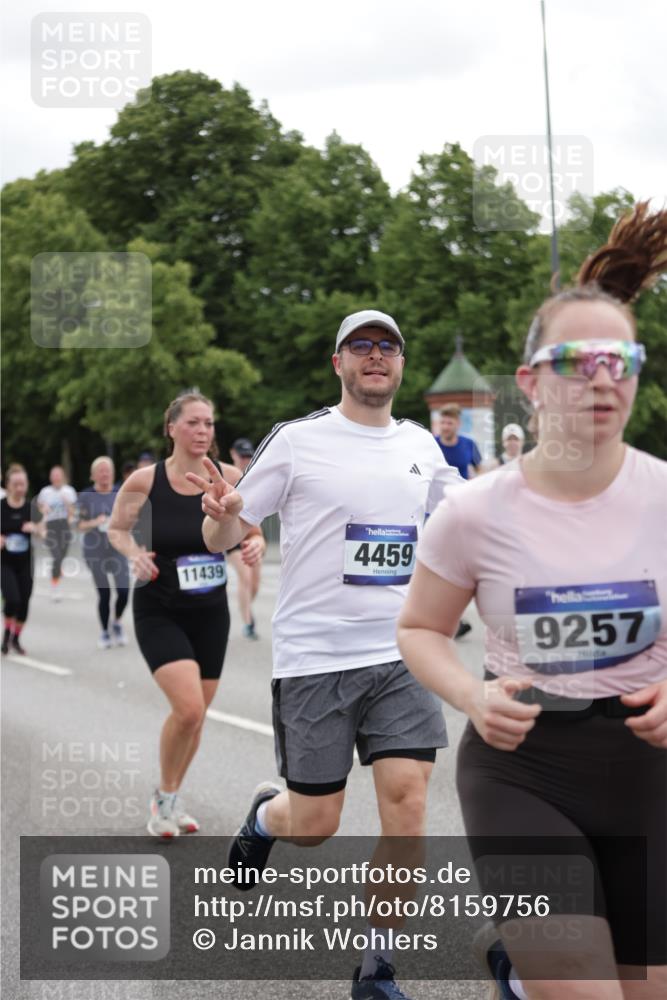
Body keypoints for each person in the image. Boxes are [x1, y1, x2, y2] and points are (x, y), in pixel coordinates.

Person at [398, 203, 667, 1000]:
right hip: (526, 773)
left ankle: (512, 969)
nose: (602, 379)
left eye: (621, 360)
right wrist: (471, 694)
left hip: (650, 774)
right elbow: (419, 628)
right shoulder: (475, 511)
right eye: (578, 359)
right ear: (528, 382)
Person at [189, 310, 463, 1000]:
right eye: (361, 346)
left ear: (401, 364)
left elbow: (465, 533)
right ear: (337, 361)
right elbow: (223, 534)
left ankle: (376, 969)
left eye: (388, 346)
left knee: (407, 802)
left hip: (399, 654)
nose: (376, 356)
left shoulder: (423, 449)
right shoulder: (299, 441)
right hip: (315, 660)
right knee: (314, 825)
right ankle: (263, 817)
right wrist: (223, 510)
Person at [109, 390, 266, 838]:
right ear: (172, 428)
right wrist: (134, 553)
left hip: (210, 612)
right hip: (159, 608)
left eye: (209, 424)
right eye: (194, 423)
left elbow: (253, 532)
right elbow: (117, 529)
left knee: (195, 718)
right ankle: (163, 800)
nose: (203, 431)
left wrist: (254, 544)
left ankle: (170, 797)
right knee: (190, 708)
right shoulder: (145, 480)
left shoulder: (231, 476)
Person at [78, 456, 130, 649]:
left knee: (124, 592)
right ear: (93, 475)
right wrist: (95, 522)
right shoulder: (85, 496)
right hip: (95, 551)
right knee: (105, 594)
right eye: (100, 470)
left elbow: (130, 518)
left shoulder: (120, 493)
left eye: (107, 470)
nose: (105, 474)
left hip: (117, 549)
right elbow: (79, 525)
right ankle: (104, 632)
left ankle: (116, 622)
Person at [1, 464, 41, 654]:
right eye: (15, 484)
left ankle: (16, 638)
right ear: (8, 485)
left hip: (25, 562)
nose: (19, 488)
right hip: (5, 562)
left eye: (22, 484)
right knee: (12, 599)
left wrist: (36, 529)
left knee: (24, 602)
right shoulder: (1, 507)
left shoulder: (31, 508)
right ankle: (6, 635)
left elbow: (44, 532)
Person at [227, 438, 263, 639]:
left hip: (252, 534)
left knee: (255, 582)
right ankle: (249, 622)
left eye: (249, 456)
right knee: (245, 577)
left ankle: (246, 607)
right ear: (233, 454)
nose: (246, 460)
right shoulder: (227, 475)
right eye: (242, 456)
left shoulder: (256, 475)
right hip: (232, 537)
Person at [37, 465, 77, 601]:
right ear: (50, 477)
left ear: (63, 476)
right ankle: (55, 588)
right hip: (51, 526)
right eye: (54, 475)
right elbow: (40, 509)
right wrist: (44, 508)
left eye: (58, 475)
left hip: (64, 525)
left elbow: (73, 513)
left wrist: (67, 503)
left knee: (62, 555)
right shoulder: (45, 492)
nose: (56, 477)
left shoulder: (69, 491)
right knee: (57, 556)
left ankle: (58, 570)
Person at [434, 403, 482, 479]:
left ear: (458, 424)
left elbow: (479, 470)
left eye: (450, 423)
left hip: (463, 489)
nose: (445, 427)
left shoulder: (470, 444)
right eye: (442, 422)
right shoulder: (431, 444)